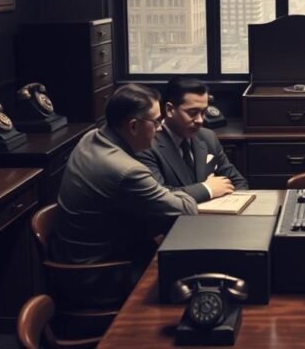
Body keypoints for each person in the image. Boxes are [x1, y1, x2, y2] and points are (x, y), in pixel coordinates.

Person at [52, 83, 198, 265]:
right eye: (156, 121)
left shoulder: (91, 137)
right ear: (134, 126)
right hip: (100, 271)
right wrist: (176, 192)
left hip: (77, 253)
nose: (160, 128)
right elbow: (186, 210)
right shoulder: (126, 170)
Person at [137, 77, 247, 202]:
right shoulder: (147, 144)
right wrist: (207, 189)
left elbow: (238, 182)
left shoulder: (208, 137)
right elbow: (159, 197)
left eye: (203, 112)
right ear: (169, 109)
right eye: (192, 112)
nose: (200, 120)